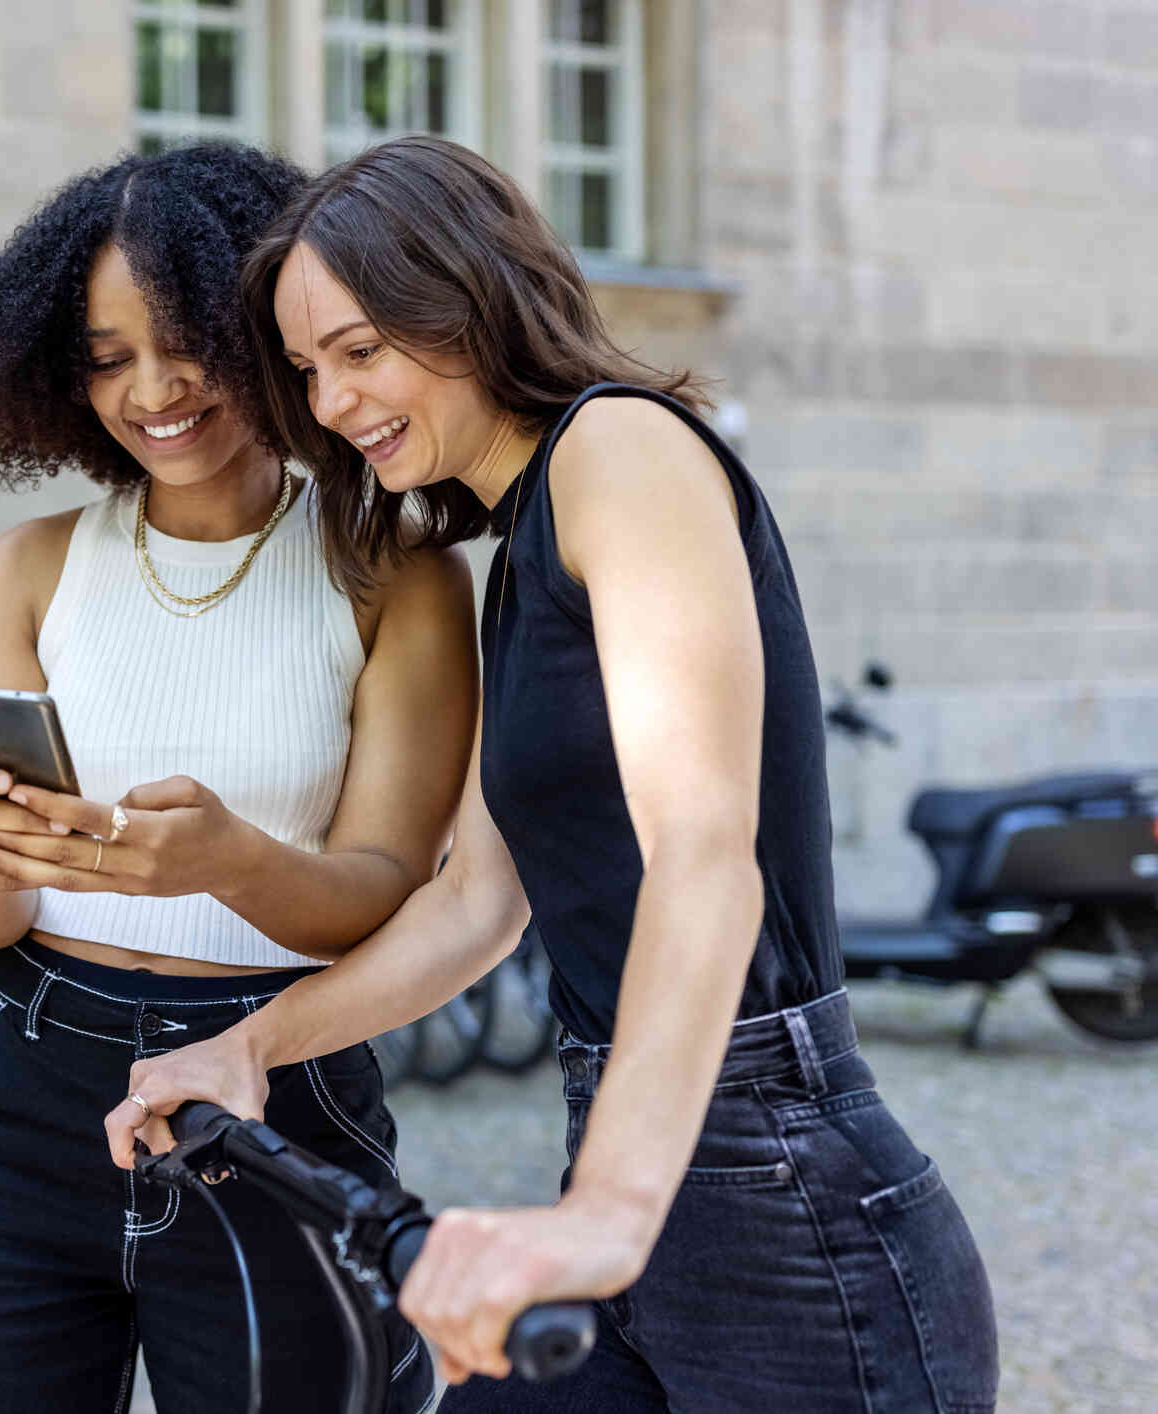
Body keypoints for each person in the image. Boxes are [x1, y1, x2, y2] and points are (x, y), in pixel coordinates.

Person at [93, 136, 999, 1412]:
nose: (335, 404)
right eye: (307, 371)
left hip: (783, 1205)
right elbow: (476, 903)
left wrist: (605, 1216)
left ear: (466, 300)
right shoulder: (515, 556)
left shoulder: (619, 450)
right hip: (635, 1166)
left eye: (360, 351)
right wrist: (251, 1047)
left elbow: (703, 858)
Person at [0, 142, 475, 1413]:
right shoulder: (27, 569)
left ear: (265, 331)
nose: (152, 389)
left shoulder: (396, 575)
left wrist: (228, 864)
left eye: (186, 338)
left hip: (269, 1093)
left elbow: (383, 891)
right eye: (103, 356)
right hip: (17, 1089)